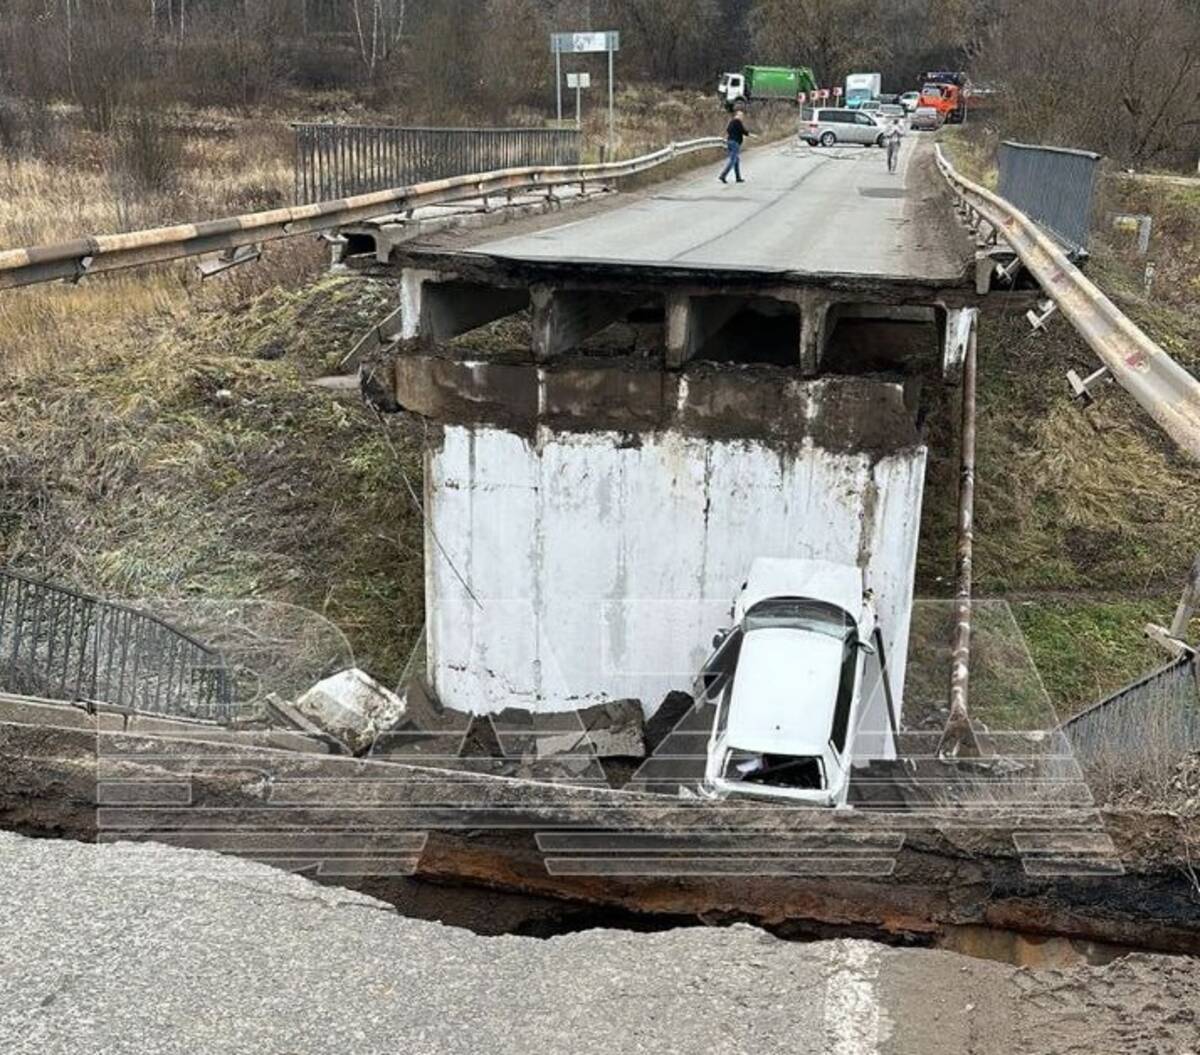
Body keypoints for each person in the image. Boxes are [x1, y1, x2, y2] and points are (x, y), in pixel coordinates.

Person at [719, 109, 751, 183]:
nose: (742, 117)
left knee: (736, 160)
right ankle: (723, 175)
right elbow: (743, 131)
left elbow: (728, 130)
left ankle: (738, 177)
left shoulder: (731, 122)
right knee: (733, 160)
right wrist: (749, 134)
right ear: (738, 115)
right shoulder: (737, 122)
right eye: (741, 116)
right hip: (735, 143)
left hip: (729, 142)